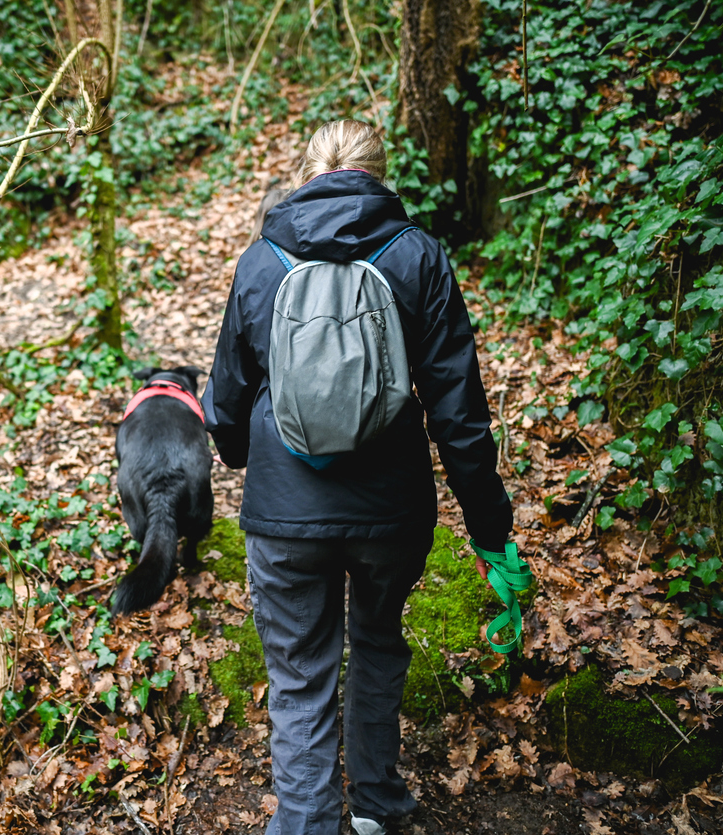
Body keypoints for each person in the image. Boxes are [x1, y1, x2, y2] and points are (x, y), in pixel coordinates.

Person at [201, 120, 515, 835]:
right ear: (381, 174)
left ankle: (308, 823)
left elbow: (224, 398)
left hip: (284, 511)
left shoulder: (261, 260)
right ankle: (375, 805)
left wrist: (241, 455)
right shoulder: (417, 256)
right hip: (391, 508)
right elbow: (457, 410)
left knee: (299, 671)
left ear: (304, 172)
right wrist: (489, 526)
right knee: (376, 642)